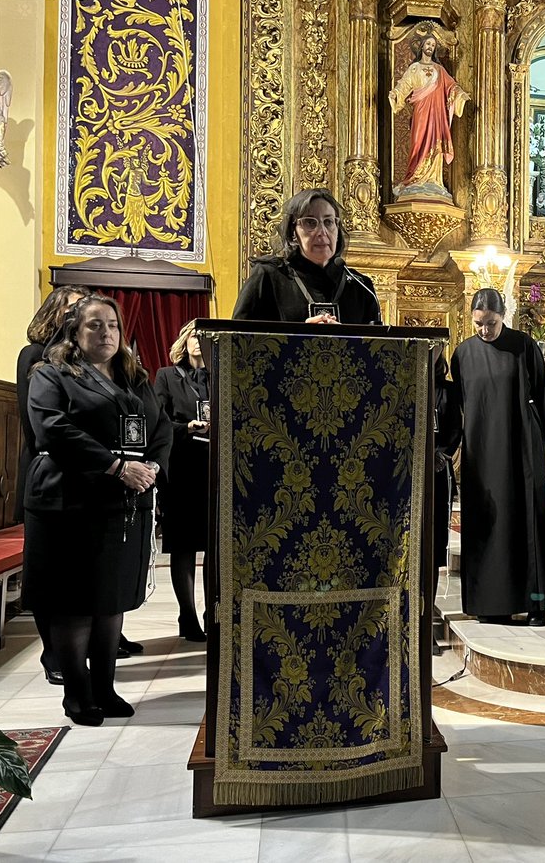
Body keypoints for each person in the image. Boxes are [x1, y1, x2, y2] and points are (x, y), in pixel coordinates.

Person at [23, 295, 171, 726]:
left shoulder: (133, 376)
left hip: (123, 501)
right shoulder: (50, 373)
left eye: (112, 325)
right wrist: (116, 466)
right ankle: (77, 694)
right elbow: (52, 428)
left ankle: (105, 689)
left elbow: (161, 426)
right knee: (74, 601)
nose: (106, 333)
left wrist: (152, 467)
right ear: (74, 331)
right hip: (67, 500)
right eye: (94, 325)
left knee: (110, 599)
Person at [450, 288, 545, 626]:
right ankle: (491, 604)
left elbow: (543, 395)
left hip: (520, 448)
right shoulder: (463, 354)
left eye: (491, 323)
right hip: (482, 452)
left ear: (503, 316)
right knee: (487, 524)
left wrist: (534, 439)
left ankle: (535, 605)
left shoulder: (524, 346)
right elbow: (460, 403)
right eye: (478, 323)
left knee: (525, 522)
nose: (485, 330)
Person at [16, 284, 90, 686]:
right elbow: (36, 426)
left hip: (86, 477)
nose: (78, 314)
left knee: (80, 571)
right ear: (55, 312)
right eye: (72, 308)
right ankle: (52, 653)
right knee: (47, 572)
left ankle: (81, 647)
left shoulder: (86, 360)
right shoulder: (34, 356)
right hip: (48, 472)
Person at [231, 188, 382, 325]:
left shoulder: (360, 286)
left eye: (328, 222)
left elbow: (376, 344)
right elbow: (238, 339)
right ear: (293, 232)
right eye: (310, 222)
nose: (322, 231)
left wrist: (344, 339)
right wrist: (301, 338)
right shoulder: (268, 277)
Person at [153, 320, 210, 643]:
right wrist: (187, 427)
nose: (198, 341)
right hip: (182, 467)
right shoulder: (166, 375)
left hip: (213, 467)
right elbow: (158, 421)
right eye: (193, 336)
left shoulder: (219, 375)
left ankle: (213, 613)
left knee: (215, 547)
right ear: (183, 342)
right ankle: (187, 615)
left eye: (203, 336)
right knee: (184, 546)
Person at [388, 33, 469, 197]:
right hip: (421, 112)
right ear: (422, 46)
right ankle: (414, 178)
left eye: (433, 45)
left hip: (436, 115)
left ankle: (433, 180)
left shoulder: (439, 70)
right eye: (428, 44)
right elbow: (404, 85)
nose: (430, 47)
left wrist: (460, 95)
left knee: (435, 142)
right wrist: (396, 93)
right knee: (418, 142)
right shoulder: (414, 68)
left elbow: (451, 86)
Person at [430, 353, 462, 655]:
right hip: (411, 474)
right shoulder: (408, 383)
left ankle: (428, 621)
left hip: (438, 474)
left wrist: (442, 453)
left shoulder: (449, 390)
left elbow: (455, 428)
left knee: (433, 550)